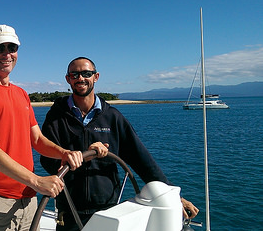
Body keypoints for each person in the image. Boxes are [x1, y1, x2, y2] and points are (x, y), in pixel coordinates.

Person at [40, 57, 199, 231]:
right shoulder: (56, 117)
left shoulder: (113, 118)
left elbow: (142, 160)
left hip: (108, 209)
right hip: (69, 212)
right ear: (68, 79)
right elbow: (47, 161)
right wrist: (81, 156)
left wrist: (172, 196)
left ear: (96, 76)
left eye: (86, 73)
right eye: (75, 74)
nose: (80, 78)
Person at [0, 25, 83, 231]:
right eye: (0, 48)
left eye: (12, 47)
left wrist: (64, 153)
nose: (7, 54)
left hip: (28, 199)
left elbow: (36, 139)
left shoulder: (21, 94)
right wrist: (37, 181)